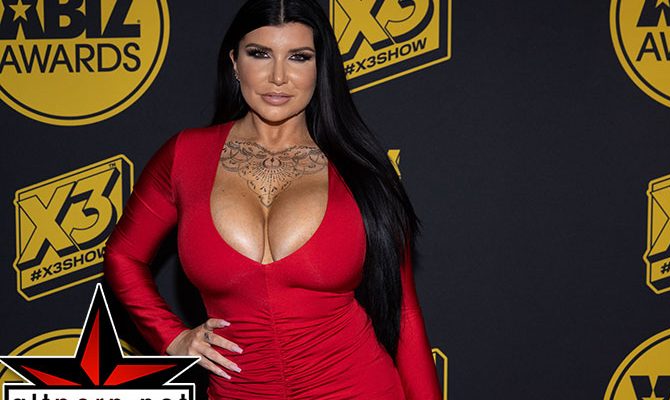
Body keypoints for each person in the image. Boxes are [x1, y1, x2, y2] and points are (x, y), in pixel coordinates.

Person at [103, 0, 442, 398]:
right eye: (260, 54)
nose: (278, 77)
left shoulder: (362, 171)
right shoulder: (185, 157)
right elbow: (123, 256)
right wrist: (171, 338)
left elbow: (404, 315)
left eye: (299, 57)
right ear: (235, 62)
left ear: (320, 68)